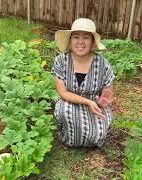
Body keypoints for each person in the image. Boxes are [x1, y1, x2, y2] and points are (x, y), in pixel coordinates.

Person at [52, 18, 115, 147]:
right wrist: (87, 102)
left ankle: (90, 138)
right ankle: (69, 138)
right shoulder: (61, 61)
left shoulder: (102, 63)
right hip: (69, 102)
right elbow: (63, 93)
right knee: (68, 113)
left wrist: (103, 100)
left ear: (92, 42)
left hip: (95, 104)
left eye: (86, 37)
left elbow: (107, 91)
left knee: (99, 130)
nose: (80, 42)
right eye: (76, 37)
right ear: (70, 40)